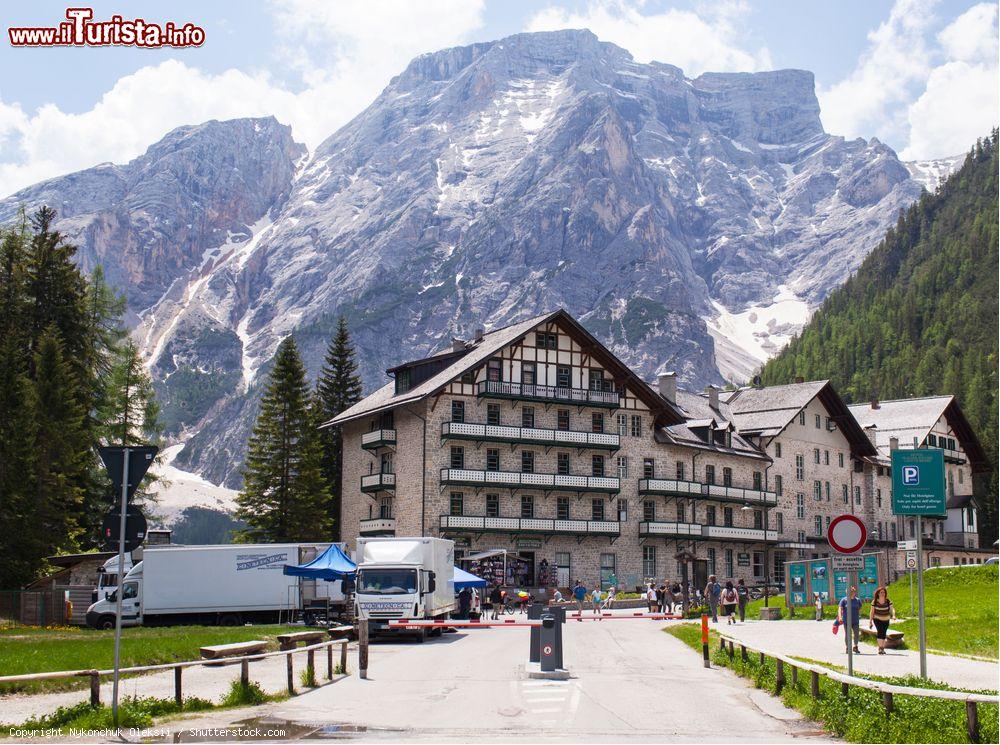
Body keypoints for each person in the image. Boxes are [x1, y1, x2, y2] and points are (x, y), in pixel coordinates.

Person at [869, 586, 896, 655]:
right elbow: (872, 612)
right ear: (878, 593)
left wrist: (893, 615)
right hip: (877, 619)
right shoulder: (874, 601)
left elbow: (892, 609)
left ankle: (882, 648)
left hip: (886, 619)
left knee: (884, 632)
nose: (882, 593)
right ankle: (880, 647)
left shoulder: (888, 601)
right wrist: (870, 621)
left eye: (883, 592)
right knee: (880, 631)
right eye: (881, 592)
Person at [837, 586, 862, 654]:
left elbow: (859, 608)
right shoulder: (844, 600)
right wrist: (840, 617)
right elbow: (840, 609)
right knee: (848, 634)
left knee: (856, 634)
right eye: (849, 592)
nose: (851, 593)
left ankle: (855, 646)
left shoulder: (858, 600)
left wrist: (859, 614)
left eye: (852, 591)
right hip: (846, 621)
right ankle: (848, 647)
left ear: (854, 592)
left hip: (855, 620)